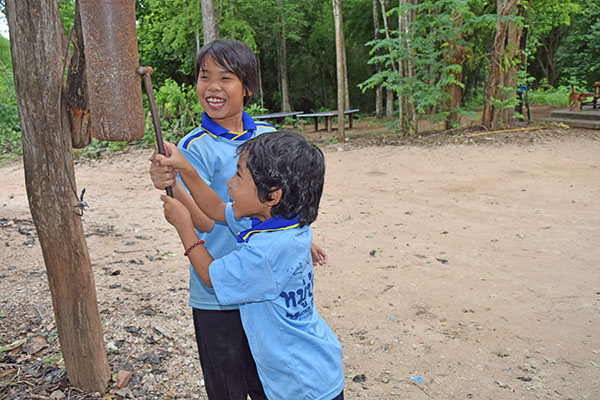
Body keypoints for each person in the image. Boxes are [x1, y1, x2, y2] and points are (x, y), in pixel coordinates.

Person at [149, 39, 326, 399]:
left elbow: (286, 204)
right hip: (216, 295)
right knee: (225, 387)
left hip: (263, 294)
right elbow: (208, 220)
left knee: (266, 380)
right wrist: (171, 185)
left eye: (225, 77)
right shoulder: (193, 146)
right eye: (204, 76)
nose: (212, 87)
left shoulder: (267, 138)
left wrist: (301, 239)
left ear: (247, 88)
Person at [157, 131, 345, 400]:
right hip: (311, 369)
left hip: (302, 385)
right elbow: (216, 207)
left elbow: (210, 275)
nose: (229, 184)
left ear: (272, 195)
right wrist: (184, 167)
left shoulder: (267, 252)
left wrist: (185, 227)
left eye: (238, 177)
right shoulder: (280, 222)